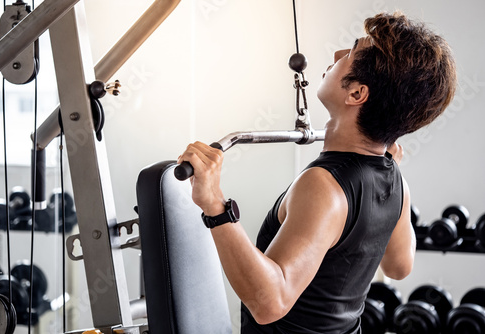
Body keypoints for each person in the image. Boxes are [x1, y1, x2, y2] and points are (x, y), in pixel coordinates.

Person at [177, 11, 457, 334]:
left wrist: (214, 203)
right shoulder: (397, 183)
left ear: (356, 94)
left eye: (351, 52)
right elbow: (399, 265)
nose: (337, 54)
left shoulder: (324, 187)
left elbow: (270, 303)